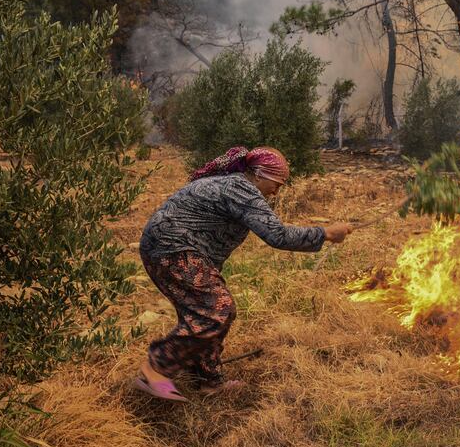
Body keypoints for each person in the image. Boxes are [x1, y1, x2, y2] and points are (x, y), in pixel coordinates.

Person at [134, 146, 352, 401]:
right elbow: (277, 236)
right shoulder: (240, 189)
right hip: (172, 249)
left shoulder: (233, 187)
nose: (278, 189)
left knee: (207, 313)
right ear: (258, 174)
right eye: (277, 181)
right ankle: (156, 368)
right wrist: (324, 233)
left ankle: (209, 381)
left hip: (166, 249)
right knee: (217, 310)